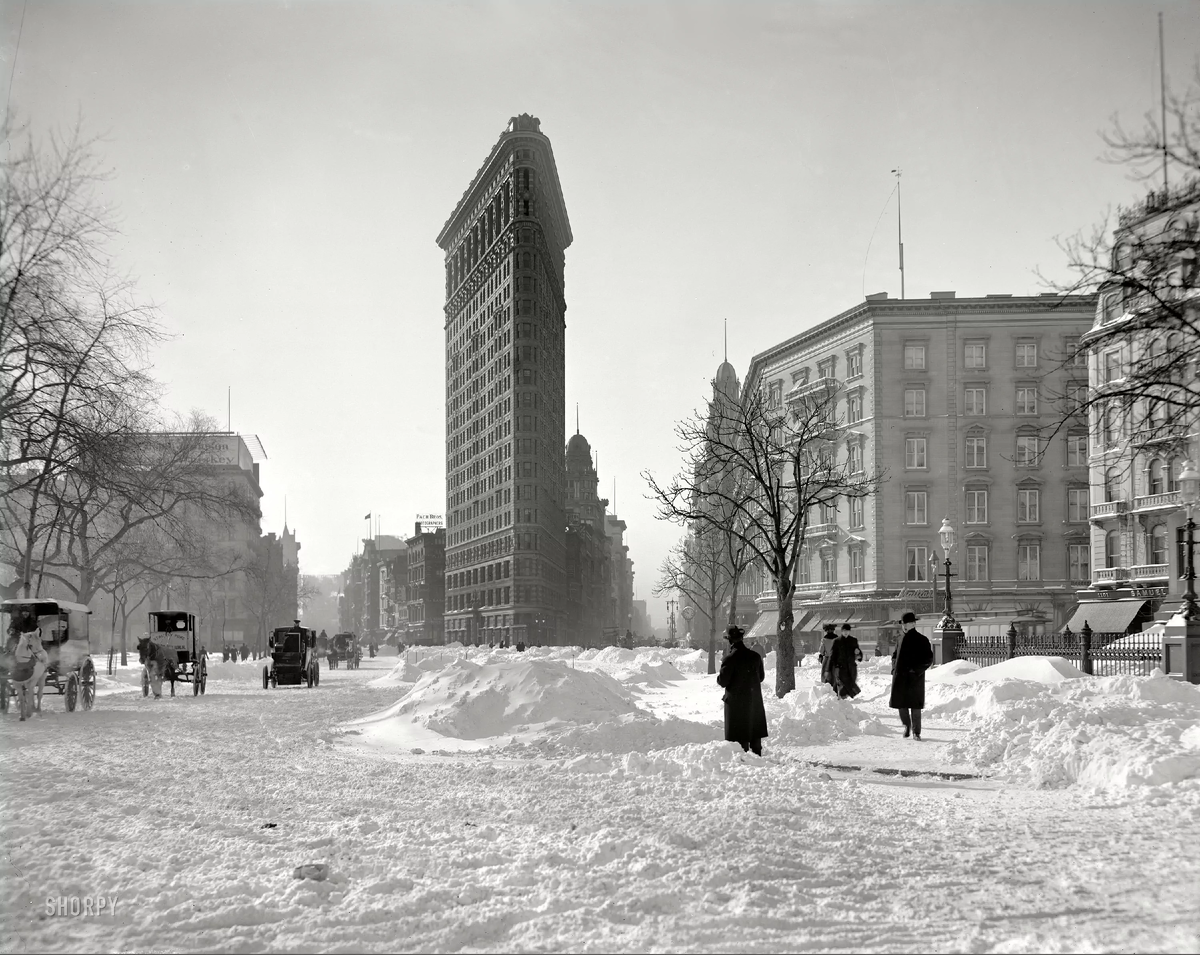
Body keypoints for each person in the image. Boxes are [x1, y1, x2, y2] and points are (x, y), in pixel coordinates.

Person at [716, 625, 768, 756]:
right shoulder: (755, 656)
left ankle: (743, 762)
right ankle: (758, 758)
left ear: (729, 640)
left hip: (736, 703)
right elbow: (761, 677)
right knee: (754, 731)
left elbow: (722, 682)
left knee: (739, 737)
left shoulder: (729, 659)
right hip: (753, 699)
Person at [889, 611, 934, 740]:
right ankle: (907, 726)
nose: (904, 626)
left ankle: (916, 732)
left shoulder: (922, 640)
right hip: (900, 677)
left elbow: (928, 659)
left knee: (915, 706)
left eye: (907, 623)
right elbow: (894, 656)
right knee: (901, 704)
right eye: (903, 624)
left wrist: (916, 671)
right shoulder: (899, 638)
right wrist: (894, 668)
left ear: (914, 624)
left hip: (914, 677)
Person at [829, 623, 863, 699]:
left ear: (849, 631)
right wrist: (834, 665)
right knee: (843, 682)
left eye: (847, 630)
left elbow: (858, 654)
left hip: (851, 666)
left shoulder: (853, 640)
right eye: (844, 630)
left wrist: (858, 653)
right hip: (841, 666)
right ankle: (842, 697)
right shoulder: (837, 641)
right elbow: (833, 655)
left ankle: (845, 697)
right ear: (841, 631)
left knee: (851, 682)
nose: (846, 632)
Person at [817, 622, 838, 690]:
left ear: (826, 631)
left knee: (825, 675)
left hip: (827, 659)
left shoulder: (824, 639)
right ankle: (835, 692)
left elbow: (821, 651)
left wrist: (821, 655)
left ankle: (826, 690)